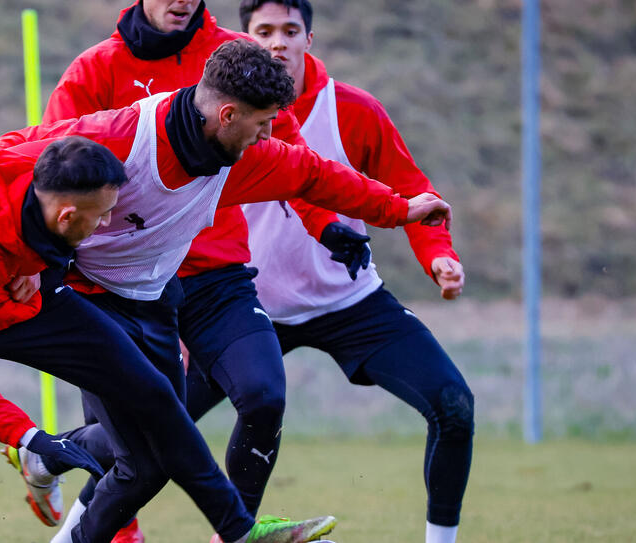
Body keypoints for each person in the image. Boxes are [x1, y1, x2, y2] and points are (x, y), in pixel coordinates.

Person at [0, 39, 454, 543]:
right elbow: (6, 159)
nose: (270, 135)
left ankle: (235, 532)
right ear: (228, 115)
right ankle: (57, 462)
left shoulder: (245, 152)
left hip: (186, 291)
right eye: (262, 123)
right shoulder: (122, 135)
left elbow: (314, 174)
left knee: (253, 399)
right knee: (146, 457)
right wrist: (28, 255)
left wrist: (398, 209)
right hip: (98, 299)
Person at [0, 135, 338, 543]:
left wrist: (41, 264)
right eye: (98, 219)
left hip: (24, 296)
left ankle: (238, 532)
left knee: (151, 393)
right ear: (67, 212)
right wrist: (28, 435)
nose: (104, 229)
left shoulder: (48, 162)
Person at [188, 3, 470, 543]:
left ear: (308, 37)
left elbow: (410, 191)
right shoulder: (215, 115)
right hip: (243, 310)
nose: (277, 43)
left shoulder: (353, 110)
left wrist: (437, 253)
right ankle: (61, 485)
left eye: (289, 31)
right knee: (144, 427)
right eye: (263, 32)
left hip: (349, 303)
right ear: (239, 38)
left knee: (454, 406)